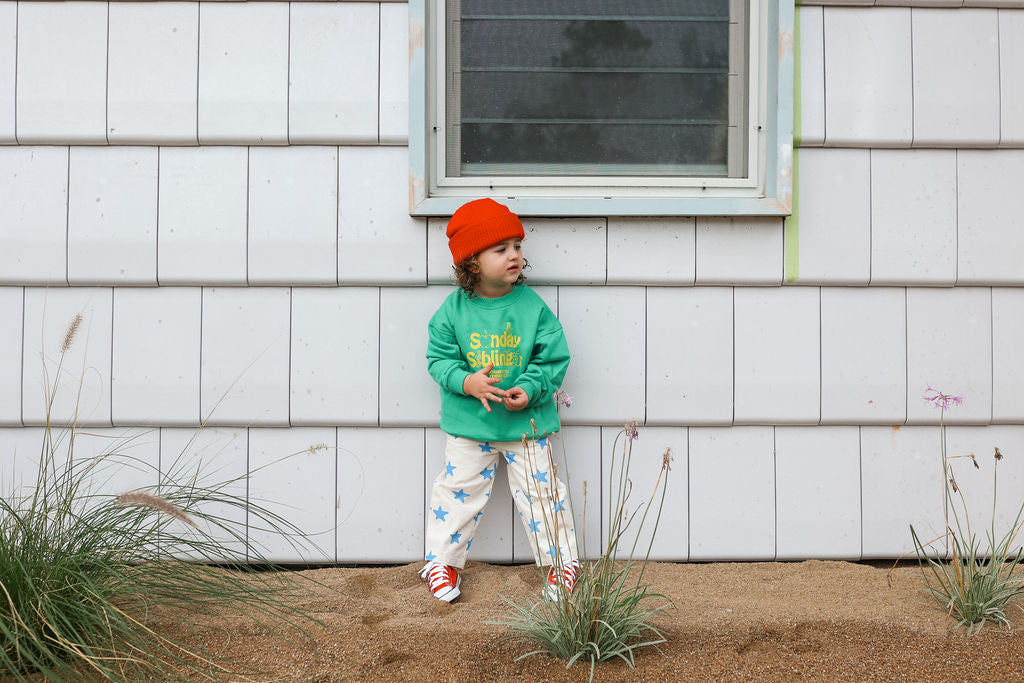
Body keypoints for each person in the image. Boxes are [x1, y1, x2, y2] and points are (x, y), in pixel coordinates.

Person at [420, 198, 581, 603]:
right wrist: (466, 381)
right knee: (457, 492)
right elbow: (439, 360)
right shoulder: (451, 312)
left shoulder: (532, 307)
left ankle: (562, 563)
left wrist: (529, 388)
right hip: (469, 427)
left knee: (543, 494)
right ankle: (443, 561)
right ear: (471, 261)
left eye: (517, 246)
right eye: (501, 249)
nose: (515, 256)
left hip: (525, 425)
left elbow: (553, 357)